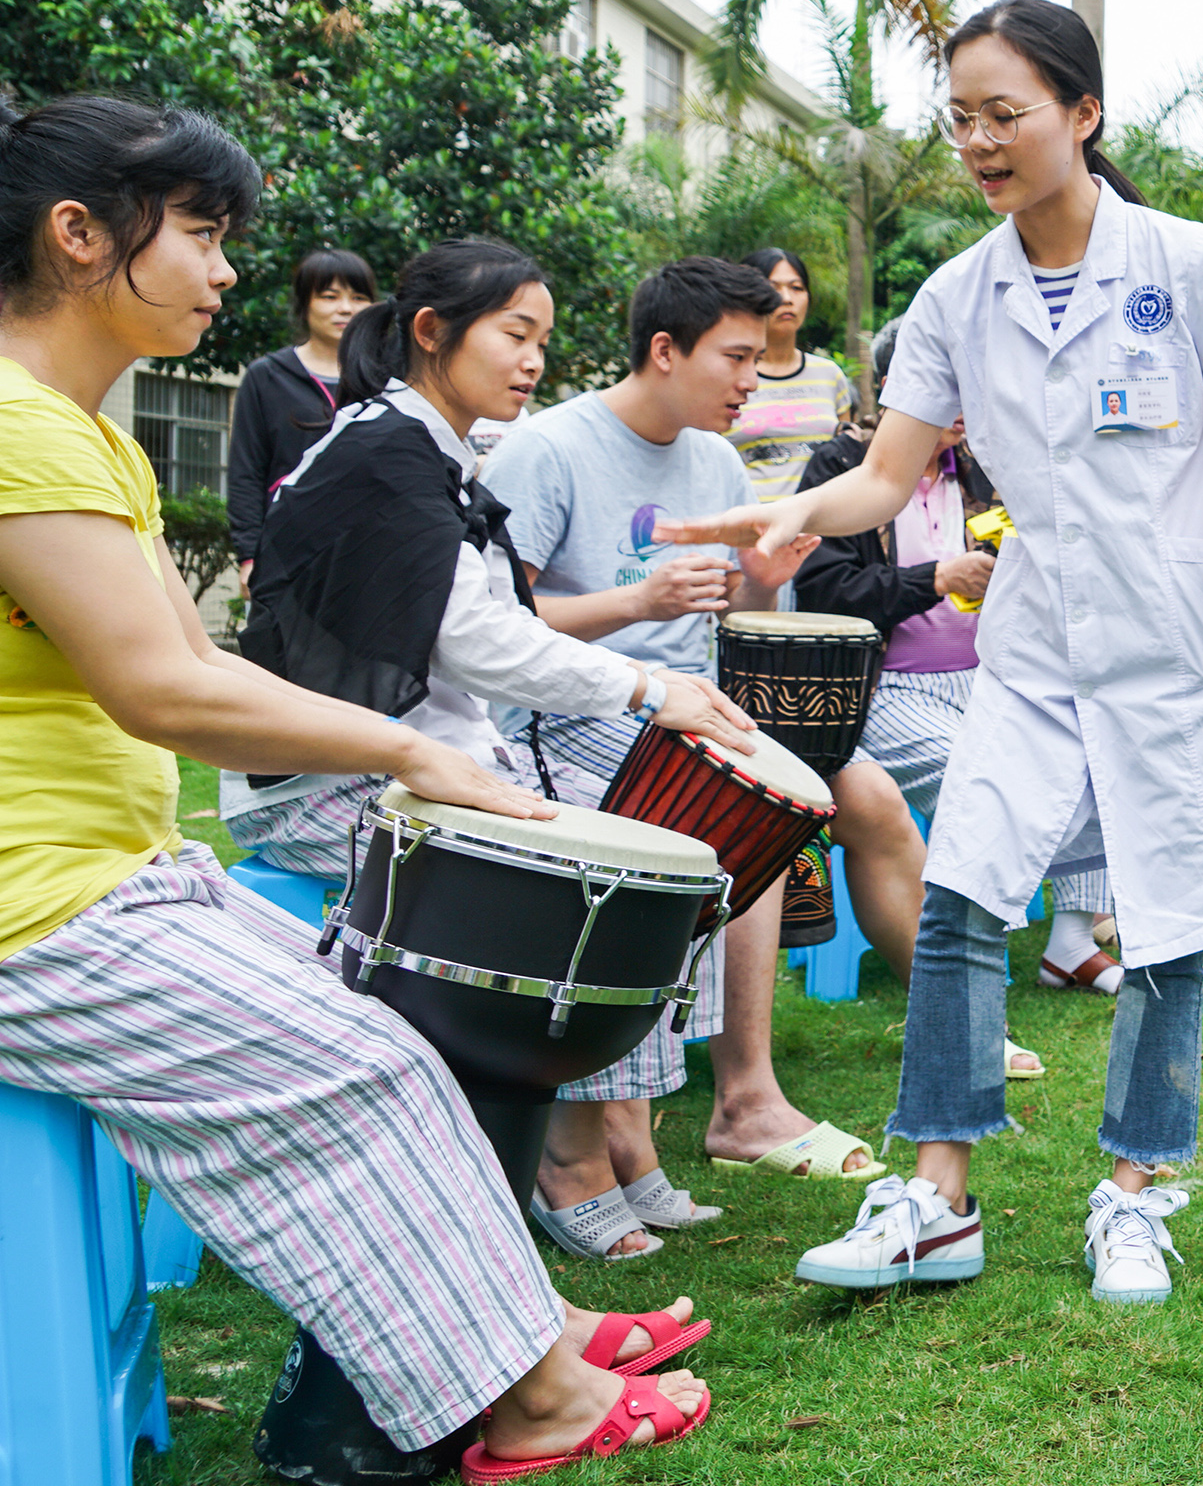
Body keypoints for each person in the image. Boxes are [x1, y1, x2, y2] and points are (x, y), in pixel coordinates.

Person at [0, 93, 709, 1480]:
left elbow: (193, 666)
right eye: (200, 233)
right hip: (35, 915)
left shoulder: (87, 435)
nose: (224, 272)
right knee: (366, 1063)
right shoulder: (21, 428)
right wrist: (412, 750)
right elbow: (162, 692)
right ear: (79, 235)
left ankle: (527, 1334)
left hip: (111, 883)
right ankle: (531, 1396)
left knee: (394, 1027)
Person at [668, 0, 1203, 1305]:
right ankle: (939, 1199)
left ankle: (1135, 1191)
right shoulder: (957, 295)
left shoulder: (1185, 262)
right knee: (964, 894)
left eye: (1004, 114)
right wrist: (795, 511)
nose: (977, 141)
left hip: (1182, 647)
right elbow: (887, 475)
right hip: (1034, 653)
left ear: (1082, 114)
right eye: (960, 119)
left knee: (1164, 926)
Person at [225, 238, 763, 1261]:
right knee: (593, 881)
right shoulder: (387, 447)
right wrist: (650, 687)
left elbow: (474, 641)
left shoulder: (427, 446)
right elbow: (476, 641)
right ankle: (566, 1158)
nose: (533, 361)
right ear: (433, 331)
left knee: (638, 855)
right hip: (318, 780)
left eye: (543, 340)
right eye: (515, 334)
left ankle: (615, 1143)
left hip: (406, 761)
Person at [486, 258, 924, 1191]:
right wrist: (636, 601)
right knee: (749, 807)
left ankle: (949, 1025)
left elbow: (732, 620)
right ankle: (744, 1101)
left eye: (760, 358)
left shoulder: (716, 461)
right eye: (736, 358)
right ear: (664, 350)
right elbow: (494, 626)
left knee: (870, 796)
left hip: (693, 708)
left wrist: (763, 582)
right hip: (569, 713)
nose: (752, 380)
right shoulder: (548, 449)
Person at [794, 319, 1103, 1030]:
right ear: (897, 389)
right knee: (982, 774)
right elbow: (824, 589)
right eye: (949, 383)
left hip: (995, 672)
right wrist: (934, 578)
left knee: (1093, 753)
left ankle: (1072, 942)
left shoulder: (985, 463)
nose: (966, 401)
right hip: (884, 690)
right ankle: (965, 954)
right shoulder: (843, 467)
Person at [223, 244, 373, 573]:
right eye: (330, 296)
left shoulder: (385, 379)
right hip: (288, 552)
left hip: (371, 552)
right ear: (304, 303)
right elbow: (246, 472)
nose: (346, 308)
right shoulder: (267, 376)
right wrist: (249, 555)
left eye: (359, 297)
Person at [729, 246, 851, 503]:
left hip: (821, 523)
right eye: (772, 288)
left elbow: (844, 456)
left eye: (797, 288)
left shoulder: (830, 375)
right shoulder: (730, 377)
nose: (786, 298)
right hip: (751, 521)